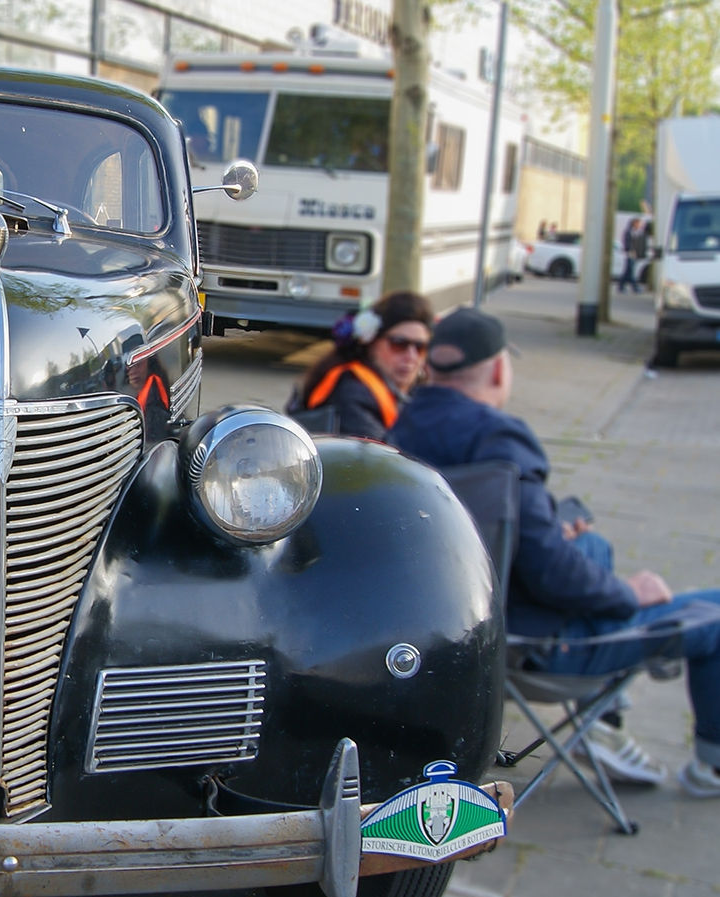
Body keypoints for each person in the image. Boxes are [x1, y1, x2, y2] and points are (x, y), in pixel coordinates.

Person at [389, 307, 720, 797]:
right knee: (711, 613)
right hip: (531, 644)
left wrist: (549, 526)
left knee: (590, 544)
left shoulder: (404, 425)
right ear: (499, 369)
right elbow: (551, 575)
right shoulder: (498, 436)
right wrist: (630, 593)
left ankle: (606, 720)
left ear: (432, 367)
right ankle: (708, 768)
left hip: (449, 624)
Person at [284, 290, 434, 441]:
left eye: (420, 347)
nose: (411, 356)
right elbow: (386, 458)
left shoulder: (419, 390)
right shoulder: (352, 391)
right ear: (371, 342)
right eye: (399, 344)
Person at [618, 216, 649, 293]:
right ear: (634, 223)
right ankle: (635, 287)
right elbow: (627, 242)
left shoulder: (637, 232)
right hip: (630, 254)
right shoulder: (629, 231)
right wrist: (631, 250)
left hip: (635, 254)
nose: (640, 225)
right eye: (638, 223)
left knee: (627, 271)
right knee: (631, 272)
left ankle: (621, 286)